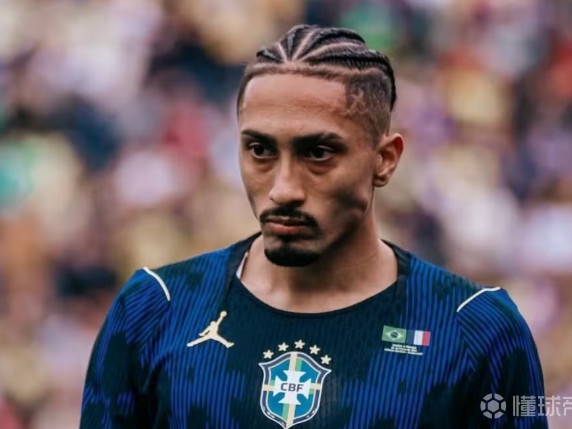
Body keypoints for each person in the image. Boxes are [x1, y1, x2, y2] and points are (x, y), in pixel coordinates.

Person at [80, 24, 547, 429]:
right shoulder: (155, 310)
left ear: (385, 160)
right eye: (260, 150)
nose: (283, 188)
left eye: (318, 153)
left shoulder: (476, 330)